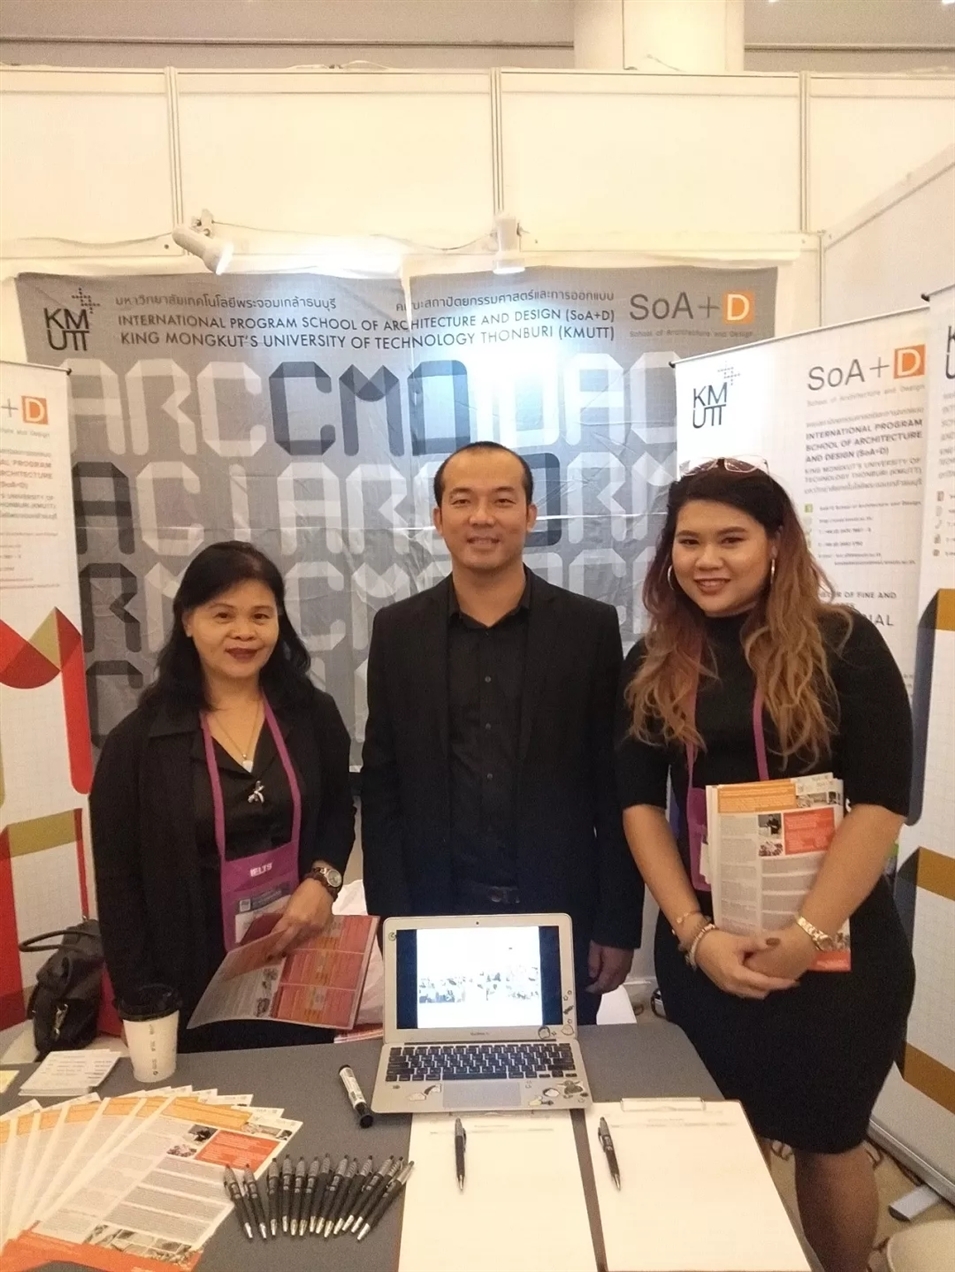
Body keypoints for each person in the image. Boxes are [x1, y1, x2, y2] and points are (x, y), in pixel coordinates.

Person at [616, 459, 914, 1272]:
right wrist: (693, 934)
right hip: (707, 943)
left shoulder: (842, 644)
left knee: (830, 1138)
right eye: (688, 542)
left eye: (731, 539)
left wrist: (807, 936)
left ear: (775, 542)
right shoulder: (654, 658)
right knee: (723, 1133)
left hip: (838, 949)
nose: (706, 560)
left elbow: (881, 802)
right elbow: (637, 805)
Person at [361, 441, 644, 1024]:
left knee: (557, 1068)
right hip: (436, 913)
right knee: (444, 1066)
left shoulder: (588, 629)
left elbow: (613, 786)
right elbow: (384, 788)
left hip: (558, 911)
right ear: (438, 517)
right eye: (463, 501)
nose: (482, 517)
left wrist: (617, 922)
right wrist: (390, 919)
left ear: (531, 515)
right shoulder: (398, 632)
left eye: (503, 500)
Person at [90, 541, 354, 1051]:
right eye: (223, 615)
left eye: (261, 615)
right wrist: (143, 1005)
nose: (244, 632)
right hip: (188, 979)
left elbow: (338, 813)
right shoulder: (137, 744)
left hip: (294, 958)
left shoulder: (312, 715)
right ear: (188, 620)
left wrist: (323, 882)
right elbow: (119, 885)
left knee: (304, 1088)